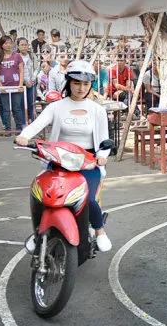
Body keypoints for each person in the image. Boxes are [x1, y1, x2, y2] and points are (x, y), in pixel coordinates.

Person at [15, 60, 112, 252]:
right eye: (76, 83)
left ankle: (99, 229)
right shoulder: (56, 107)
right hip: (58, 161)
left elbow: (104, 139)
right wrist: (24, 136)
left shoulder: (97, 110)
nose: (81, 88)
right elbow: (37, 124)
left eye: (85, 84)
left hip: (87, 162)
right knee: (41, 194)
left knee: (89, 198)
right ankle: (38, 232)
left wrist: (102, 155)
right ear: (69, 82)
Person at [0, 36, 25, 135]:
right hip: (4, 87)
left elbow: (21, 70)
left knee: (17, 108)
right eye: (6, 43)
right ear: (2, 45)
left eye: (10, 43)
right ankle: (8, 129)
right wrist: (0, 86)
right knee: (6, 109)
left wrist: (20, 85)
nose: (8, 45)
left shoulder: (17, 56)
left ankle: (19, 128)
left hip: (16, 86)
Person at [17, 37, 37, 120]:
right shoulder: (16, 56)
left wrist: (32, 80)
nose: (24, 47)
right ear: (18, 46)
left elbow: (36, 68)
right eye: (22, 45)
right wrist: (25, 81)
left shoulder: (32, 56)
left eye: (25, 45)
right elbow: (16, 71)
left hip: (32, 84)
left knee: (32, 103)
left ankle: (33, 122)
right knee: (22, 104)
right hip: (21, 84)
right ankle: (23, 122)